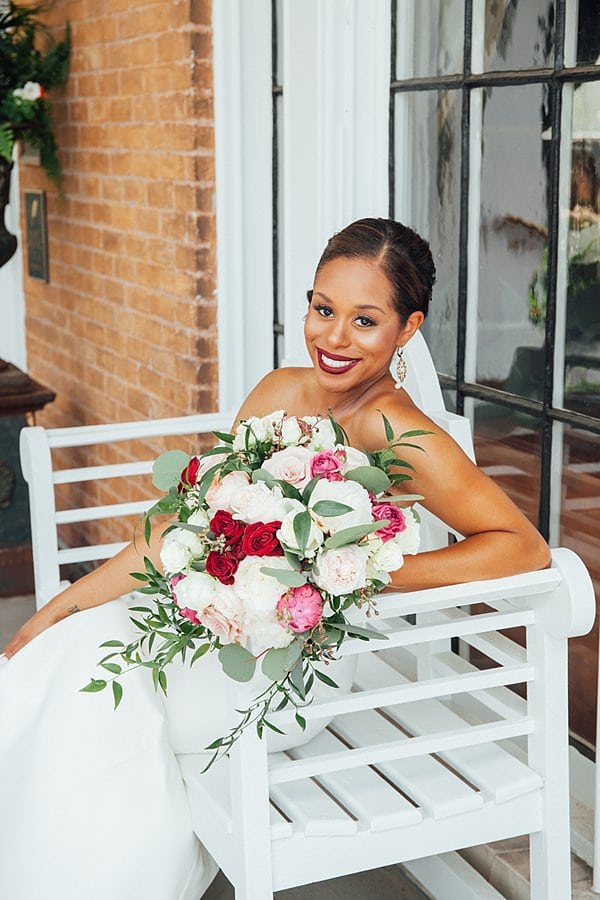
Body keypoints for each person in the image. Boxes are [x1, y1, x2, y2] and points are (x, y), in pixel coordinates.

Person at [0, 218, 550, 900]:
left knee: (93, 692)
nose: (334, 338)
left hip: (294, 672)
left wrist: (357, 574)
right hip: (211, 629)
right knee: (66, 651)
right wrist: (54, 610)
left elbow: (522, 546)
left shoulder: (396, 429)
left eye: (365, 320)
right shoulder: (277, 392)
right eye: (323, 309)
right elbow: (176, 520)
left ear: (407, 330)